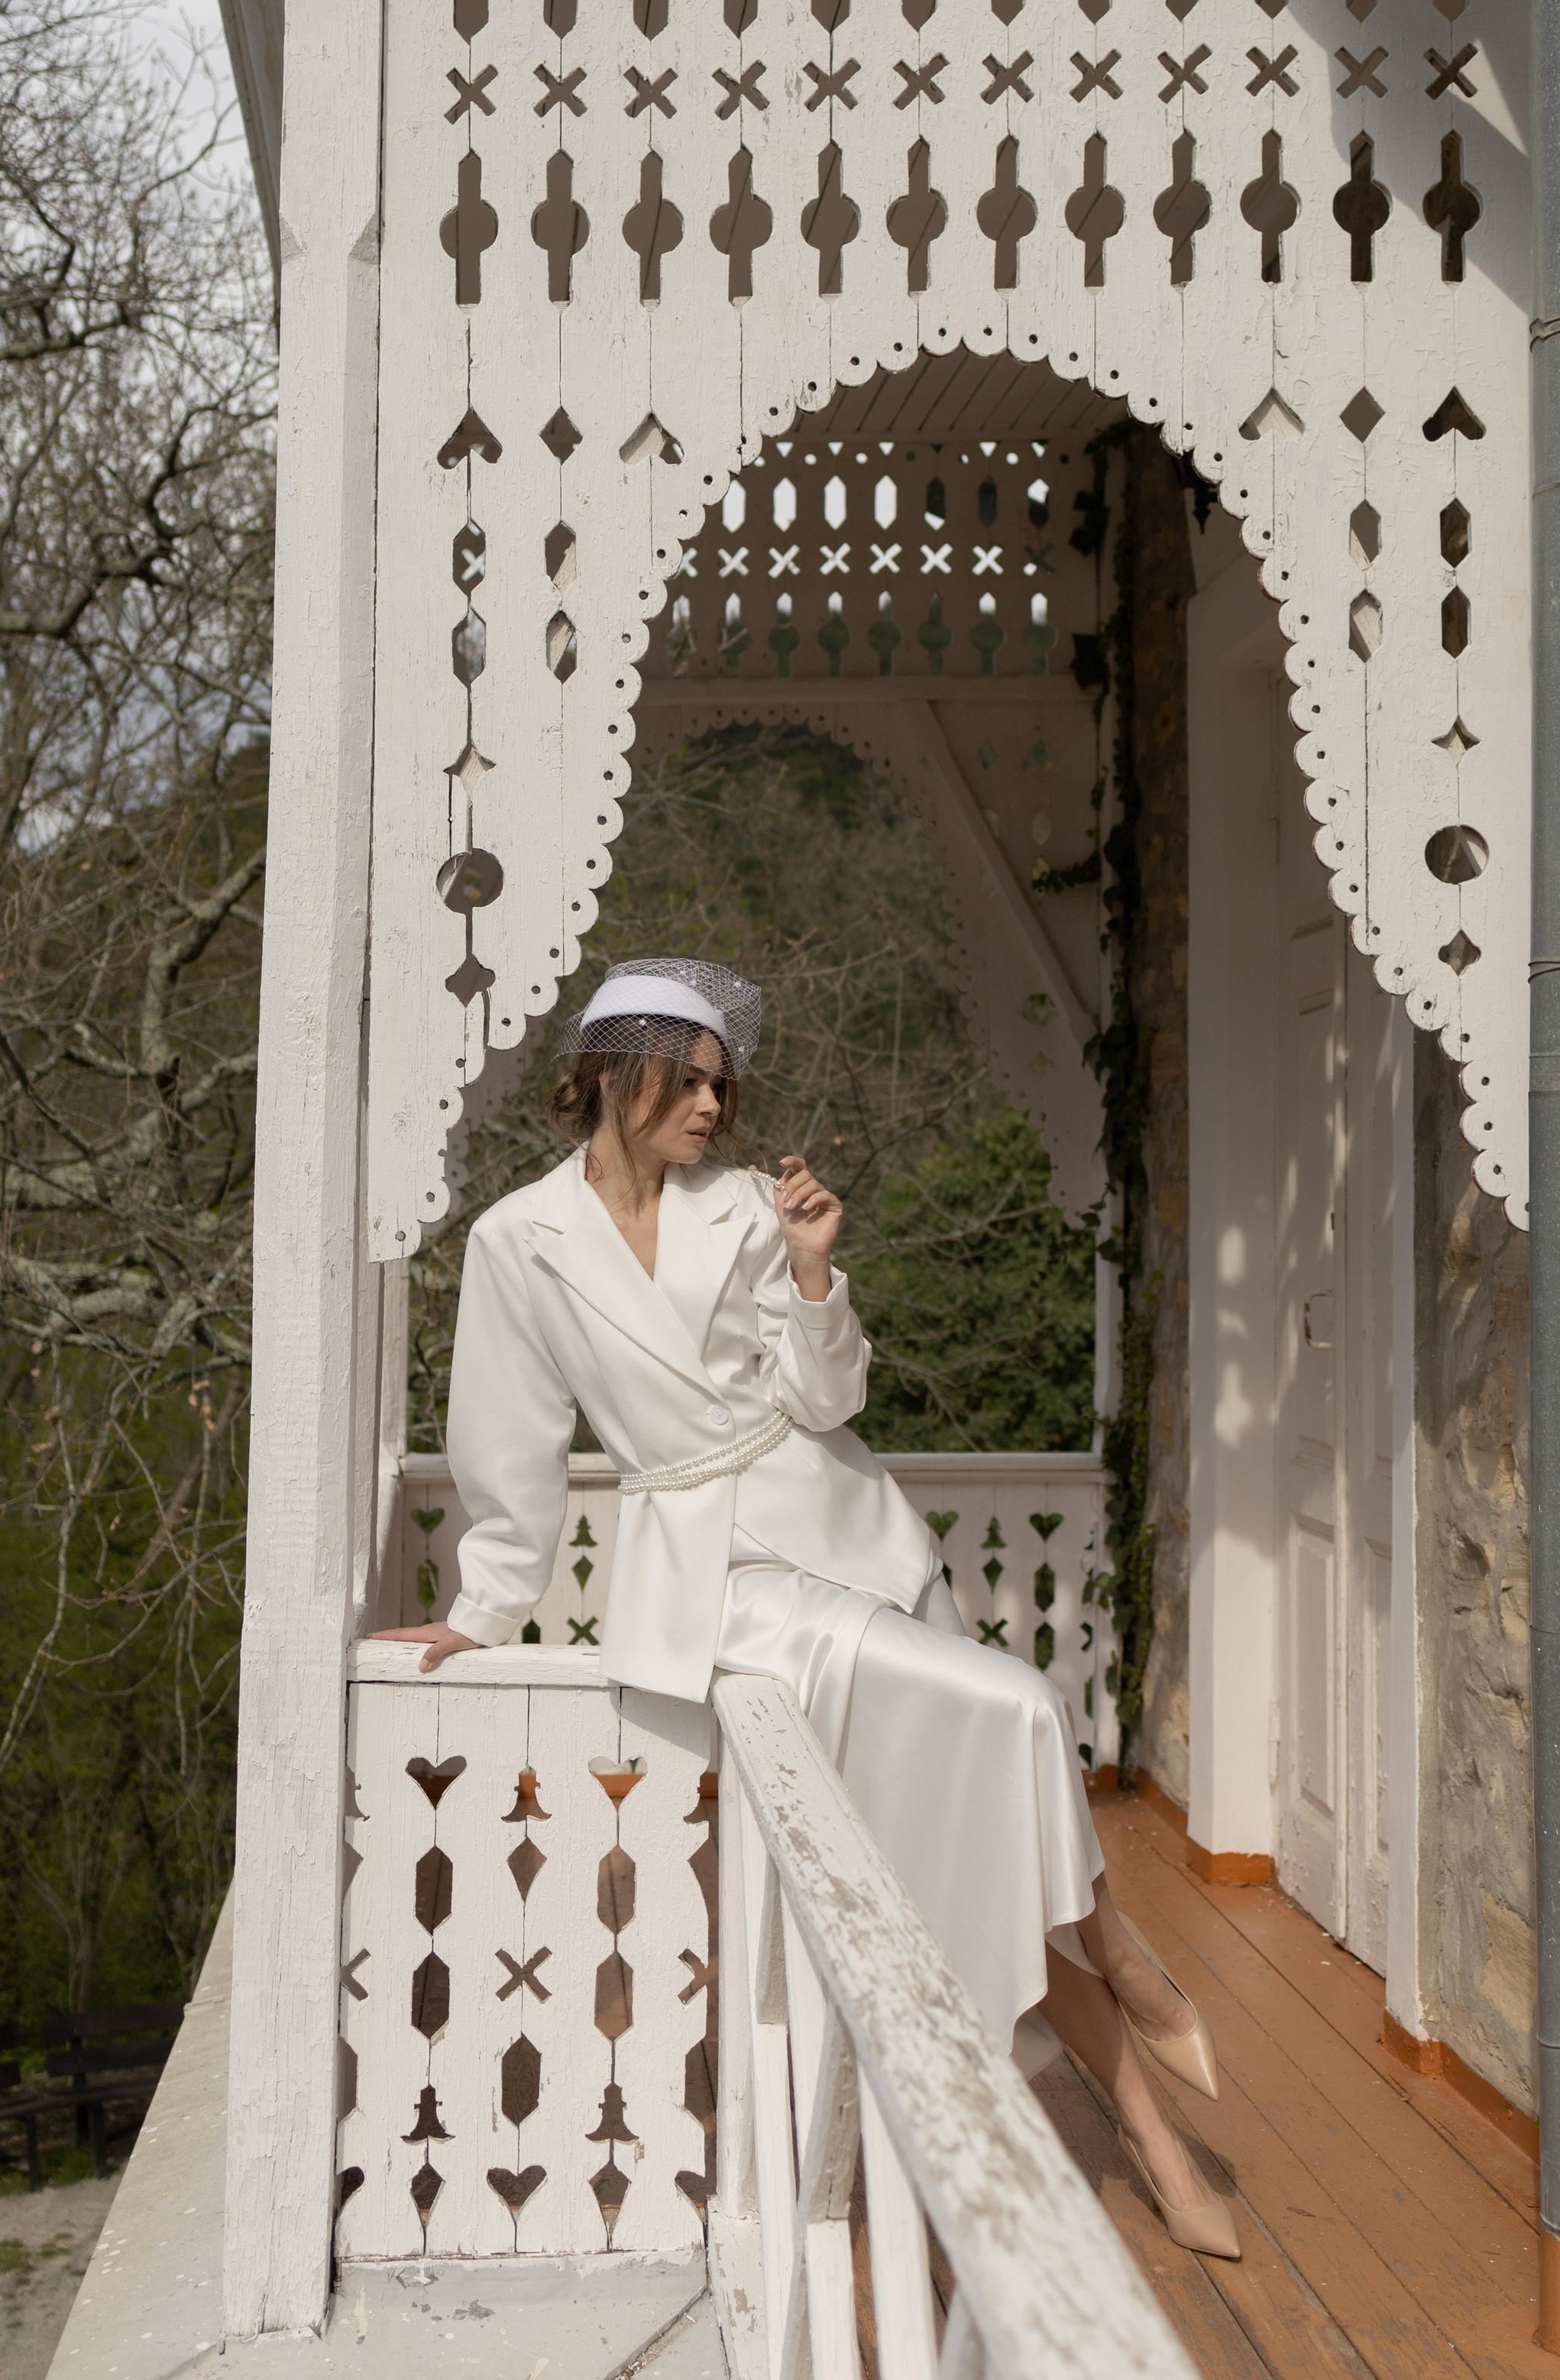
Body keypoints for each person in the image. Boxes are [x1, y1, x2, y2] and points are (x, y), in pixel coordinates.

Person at [377, 957, 1239, 2260]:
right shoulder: (518, 1243)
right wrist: (481, 1613)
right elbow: (510, 1453)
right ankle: (1124, 1975)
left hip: (857, 1538)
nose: (713, 1108)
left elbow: (827, 1402)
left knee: (989, 1827)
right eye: (691, 1083)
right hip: (718, 1589)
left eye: (723, 1088)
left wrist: (817, 1274)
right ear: (617, 1073)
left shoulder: (745, 1210)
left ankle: (1149, 2119)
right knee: (1019, 1709)